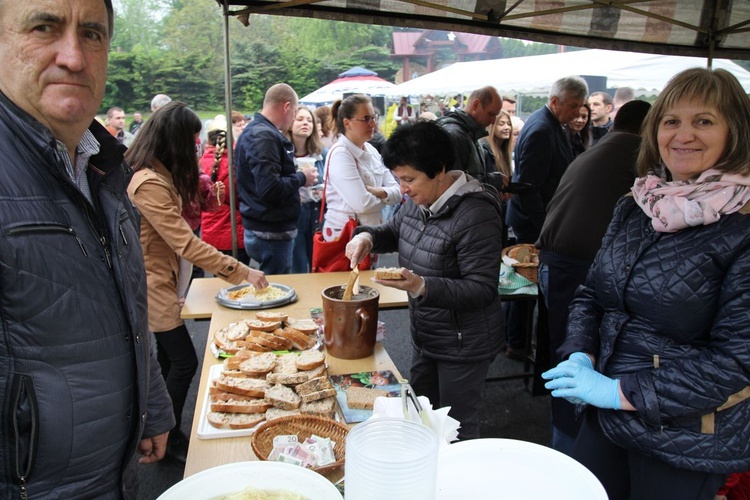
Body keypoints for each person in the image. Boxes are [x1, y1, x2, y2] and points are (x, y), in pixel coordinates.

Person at [543, 68, 750, 500]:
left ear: (736, 131)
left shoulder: (742, 225)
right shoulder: (638, 206)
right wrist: (581, 351)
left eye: (704, 121)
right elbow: (591, 295)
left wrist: (619, 390)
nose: (683, 134)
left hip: (686, 435)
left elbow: (736, 362)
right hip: (608, 415)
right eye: (670, 121)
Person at [0, 0, 174, 497]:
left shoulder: (104, 169)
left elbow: (126, 309)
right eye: (43, 27)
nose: (74, 57)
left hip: (113, 475)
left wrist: (153, 406)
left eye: (92, 34)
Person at [126, 101, 267, 465]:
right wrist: (242, 271)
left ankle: (162, 430)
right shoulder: (148, 183)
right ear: (173, 142)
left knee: (169, 362)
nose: (194, 150)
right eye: (190, 143)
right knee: (184, 361)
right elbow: (184, 241)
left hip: (162, 282)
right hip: (151, 285)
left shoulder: (156, 175)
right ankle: (166, 435)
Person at [345, 121, 504, 440]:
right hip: (427, 334)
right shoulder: (419, 201)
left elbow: (482, 288)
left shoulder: (476, 215)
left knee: (455, 426)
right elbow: (396, 231)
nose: (402, 188)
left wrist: (421, 286)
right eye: (398, 179)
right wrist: (367, 238)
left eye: (409, 179)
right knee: (419, 415)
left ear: (440, 170)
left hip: (463, 343)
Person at [535, 99, 651, 455]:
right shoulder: (637, 154)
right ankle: (569, 444)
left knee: (564, 348)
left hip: (558, 259)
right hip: (577, 263)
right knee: (574, 354)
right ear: (649, 129)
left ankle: (566, 436)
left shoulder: (600, 148)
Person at [504, 76, 588, 360]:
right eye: (573, 105)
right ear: (555, 101)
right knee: (525, 287)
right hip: (533, 221)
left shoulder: (549, 123)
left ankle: (516, 340)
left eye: (581, 106)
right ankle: (516, 342)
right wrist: (544, 229)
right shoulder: (542, 128)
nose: (578, 112)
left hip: (537, 218)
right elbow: (527, 187)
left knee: (525, 288)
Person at [236, 83, 318, 274]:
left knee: (276, 286)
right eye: (295, 112)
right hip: (269, 231)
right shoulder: (264, 136)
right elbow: (269, 188)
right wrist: (300, 178)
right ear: (287, 106)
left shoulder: (258, 132)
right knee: (277, 290)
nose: (293, 119)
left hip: (264, 227)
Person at [322, 94, 401, 246]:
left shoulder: (371, 150)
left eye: (374, 117)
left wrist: (382, 192)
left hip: (370, 233)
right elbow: (362, 204)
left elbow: (398, 191)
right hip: (345, 237)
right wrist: (386, 198)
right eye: (366, 119)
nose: (373, 124)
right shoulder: (340, 154)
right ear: (347, 123)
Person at [199, 117, 249, 265]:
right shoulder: (236, 163)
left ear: (208, 140)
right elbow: (242, 197)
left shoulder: (199, 162)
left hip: (210, 232)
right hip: (235, 232)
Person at [286, 106, 326, 273]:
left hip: (318, 212)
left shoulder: (321, 152)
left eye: (309, 120)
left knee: (318, 261)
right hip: (293, 213)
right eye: (300, 119)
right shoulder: (283, 153)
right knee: (298, 264)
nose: (305, 123)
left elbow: (330, 180)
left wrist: (323, 189)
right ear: (290, 124)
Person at [436, 86, 503, 180]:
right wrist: (492, 181)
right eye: (491, 114)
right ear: (476, 105)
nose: (493, 121)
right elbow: (452, 184)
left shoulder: (470, 133)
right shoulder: (455, 134)